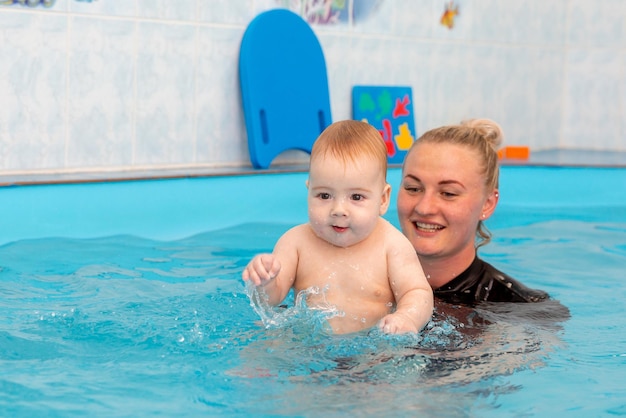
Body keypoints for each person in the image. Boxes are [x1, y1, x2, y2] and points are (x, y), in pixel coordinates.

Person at [242, 120, 434, 335]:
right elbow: (271, 301)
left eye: (356, 197)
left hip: (373, 354)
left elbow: (418, 292)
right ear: (309, 190)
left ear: (382, 199)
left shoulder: (392, 245)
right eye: (324, 195)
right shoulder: (295, 243)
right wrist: (264, 282)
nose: (339, 210)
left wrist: (407, 317)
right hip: (310, 351)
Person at [396, 118, 552, 305]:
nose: (424, 207)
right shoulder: (360, 284)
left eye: (448, 193)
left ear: (487, 204)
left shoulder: (523, 308)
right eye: (413, 188)